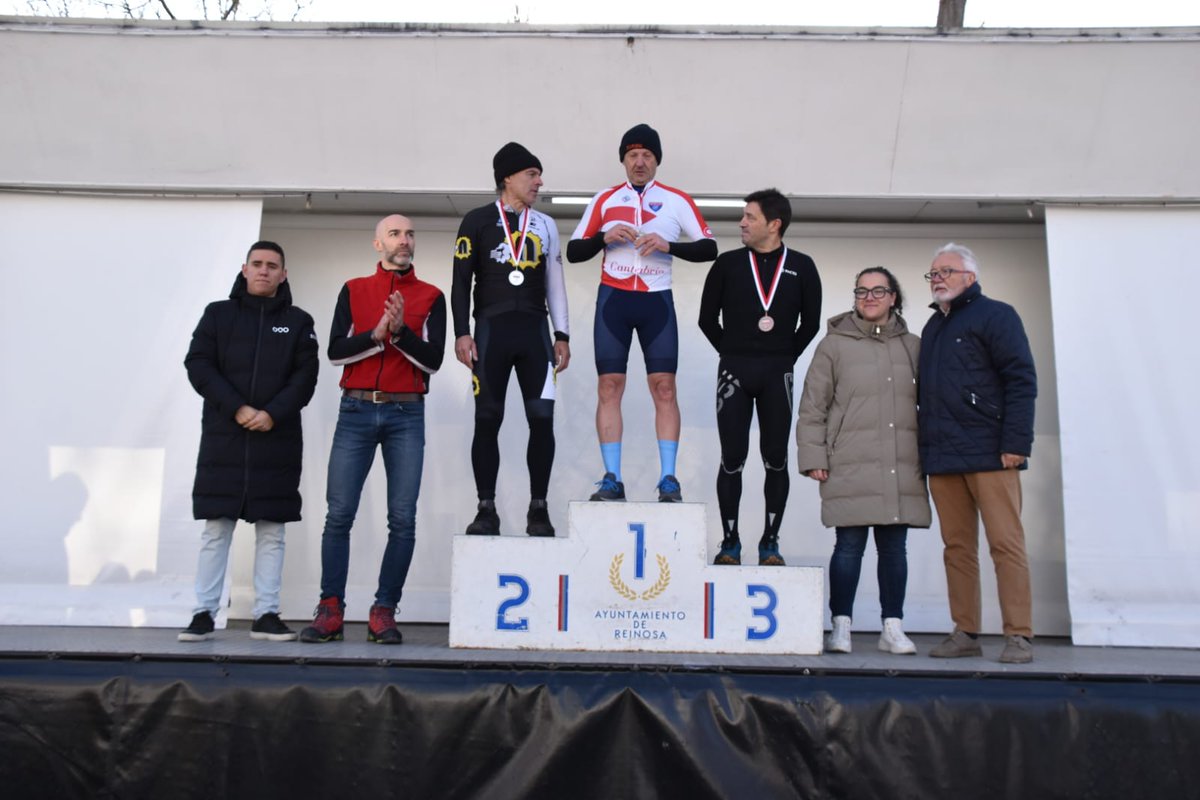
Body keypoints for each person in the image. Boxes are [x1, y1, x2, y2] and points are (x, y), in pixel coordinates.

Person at [299, 215, 446, 645]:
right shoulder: (353, 289)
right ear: (377, 243)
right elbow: (335, 352)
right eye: (396, 234)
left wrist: (399, 336)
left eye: (411, 233)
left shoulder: (431, 295)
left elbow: (434, 360)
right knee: (339, 514)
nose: (405, 240)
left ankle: (384, 610)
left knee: (402, 519)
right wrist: (378, 335)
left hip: (406, 414)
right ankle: (330, 609)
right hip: (356, 410)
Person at [568, 123, 717, 502]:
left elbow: (708, 248)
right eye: (633, 155)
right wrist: (604, 237)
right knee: (609, 386)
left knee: (664, 388)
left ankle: (669, 478)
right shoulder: (604, 199)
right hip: (614, 300)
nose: (640, 162)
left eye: (647, 155)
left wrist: (669, 245)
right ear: (623, 160)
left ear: (656, 162)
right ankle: (612, 478)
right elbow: (573, 251)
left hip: (656, 301)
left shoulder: (676, 199)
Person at [179, 241, 319, 642]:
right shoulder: (217, 315)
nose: (264, 271)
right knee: (216, 527)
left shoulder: (298, 321)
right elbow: (198, 363)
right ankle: (203, 613)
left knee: (272, 529)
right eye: (257, 264)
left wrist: (272, 413)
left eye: (272, 265)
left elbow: (304, 378)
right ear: (244, 269)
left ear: (283, 274)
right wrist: (238, 407)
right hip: (225, 437)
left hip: (277, 440)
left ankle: (266, 614)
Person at [796, 267, 929, 655]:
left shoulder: (914, 346)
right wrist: (813, 456)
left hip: (899, 463)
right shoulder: (833, 346)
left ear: (893, 298)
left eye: (878, 291)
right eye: (861, 291)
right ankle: (841, 626)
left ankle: (893, 627)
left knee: (893, 549)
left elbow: (931, 405)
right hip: (848, 462)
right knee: (848, 547)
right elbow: (812, 407)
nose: (869, 297)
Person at [918, 243, 1037, 664]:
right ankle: (965, 631)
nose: (938, 279)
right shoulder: (932, 328)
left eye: (946, 271)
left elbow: (1021, 380)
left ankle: (1019, 635)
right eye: (933, 274)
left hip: (991, 453)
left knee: (1006, 545)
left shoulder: (997, 315)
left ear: (970, 276)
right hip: (945, 458)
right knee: (956, 548)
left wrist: (1016, 444)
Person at [452, 142, 570, 536]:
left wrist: (562, 333)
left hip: (535, 333)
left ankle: (539, 508)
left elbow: (555, 281)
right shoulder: (476, 220)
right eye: (531, 174)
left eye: (538, 174)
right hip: (490, 332)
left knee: (542, 418)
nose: (538, 181)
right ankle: (486, 508)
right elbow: (460, 282)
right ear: (508, 178)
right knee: (487, 418)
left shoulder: (546, 224)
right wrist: (461, 333)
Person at [698, 189, 822, 566]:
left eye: (750, 216)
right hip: (734, 370)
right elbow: (707, 320)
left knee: (775, 458)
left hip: (777, 373)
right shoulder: (727, 264)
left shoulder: (802, 265)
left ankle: (770, 541)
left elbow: (811, 324)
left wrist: (783, 357)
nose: (742, 223)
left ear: (774, 224)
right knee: (732, 458)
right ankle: (730, 541)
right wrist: (732, 352)